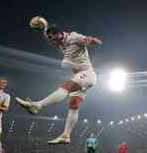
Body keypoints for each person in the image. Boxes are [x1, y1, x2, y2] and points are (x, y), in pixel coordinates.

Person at [15, 16, 102, 144]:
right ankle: (66, 136)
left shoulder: (73, 37)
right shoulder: (58, 40)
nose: (51, 40)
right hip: (81, 75)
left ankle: (37, 105)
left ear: (59, 34)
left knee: (65, 86)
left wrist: (90, 40)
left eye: (52, 37)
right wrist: (43, 27)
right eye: (49, 37)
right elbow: (48, 35)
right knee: (73, 105)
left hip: (87, 74)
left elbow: (96, 41)